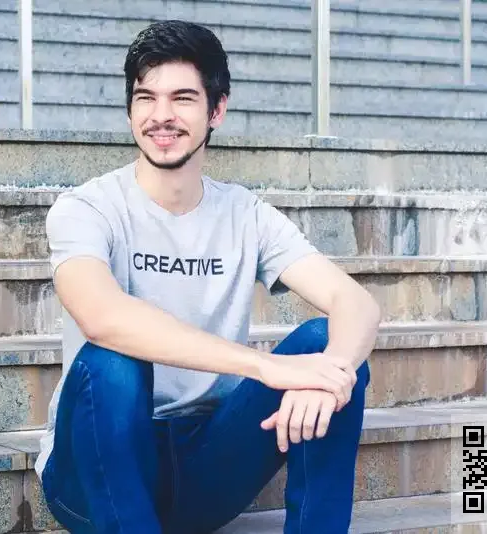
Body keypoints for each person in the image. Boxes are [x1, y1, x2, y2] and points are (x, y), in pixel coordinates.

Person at [35, 19, 380, 534]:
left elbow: (357, 304)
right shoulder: (86, 209)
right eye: (145, 98)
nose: (161, 116)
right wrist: (265, 367)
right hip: (94, 471)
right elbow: (101, 316)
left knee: (327, 346)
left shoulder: (245, 214)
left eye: (182, 99)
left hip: (205, 468)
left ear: (216, 110)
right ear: (129, 109)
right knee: (110, 361)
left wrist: (329, 375)